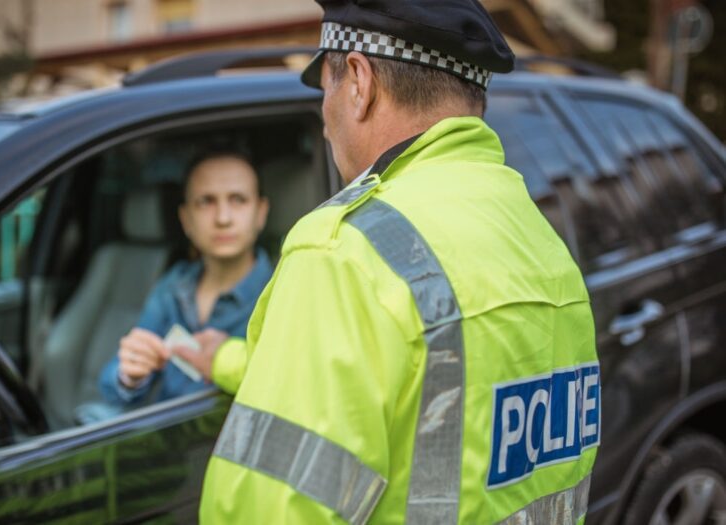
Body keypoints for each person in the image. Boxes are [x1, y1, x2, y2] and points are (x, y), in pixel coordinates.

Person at [190, 1, 600, 523]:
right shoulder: (539, 240)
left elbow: (273, 507)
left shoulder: (347, 252)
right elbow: (414, 376)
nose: (324, 121)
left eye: (326, 90)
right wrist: (224, 360)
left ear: (359, 82)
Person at [99, 151, 272, 408]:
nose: (223, 218)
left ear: (261, 213)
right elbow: (112, 384)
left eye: (238, 200)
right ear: (185, 219)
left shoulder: (281, 293)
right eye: (206, 202)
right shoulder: (175, 284)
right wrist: (130, 374)